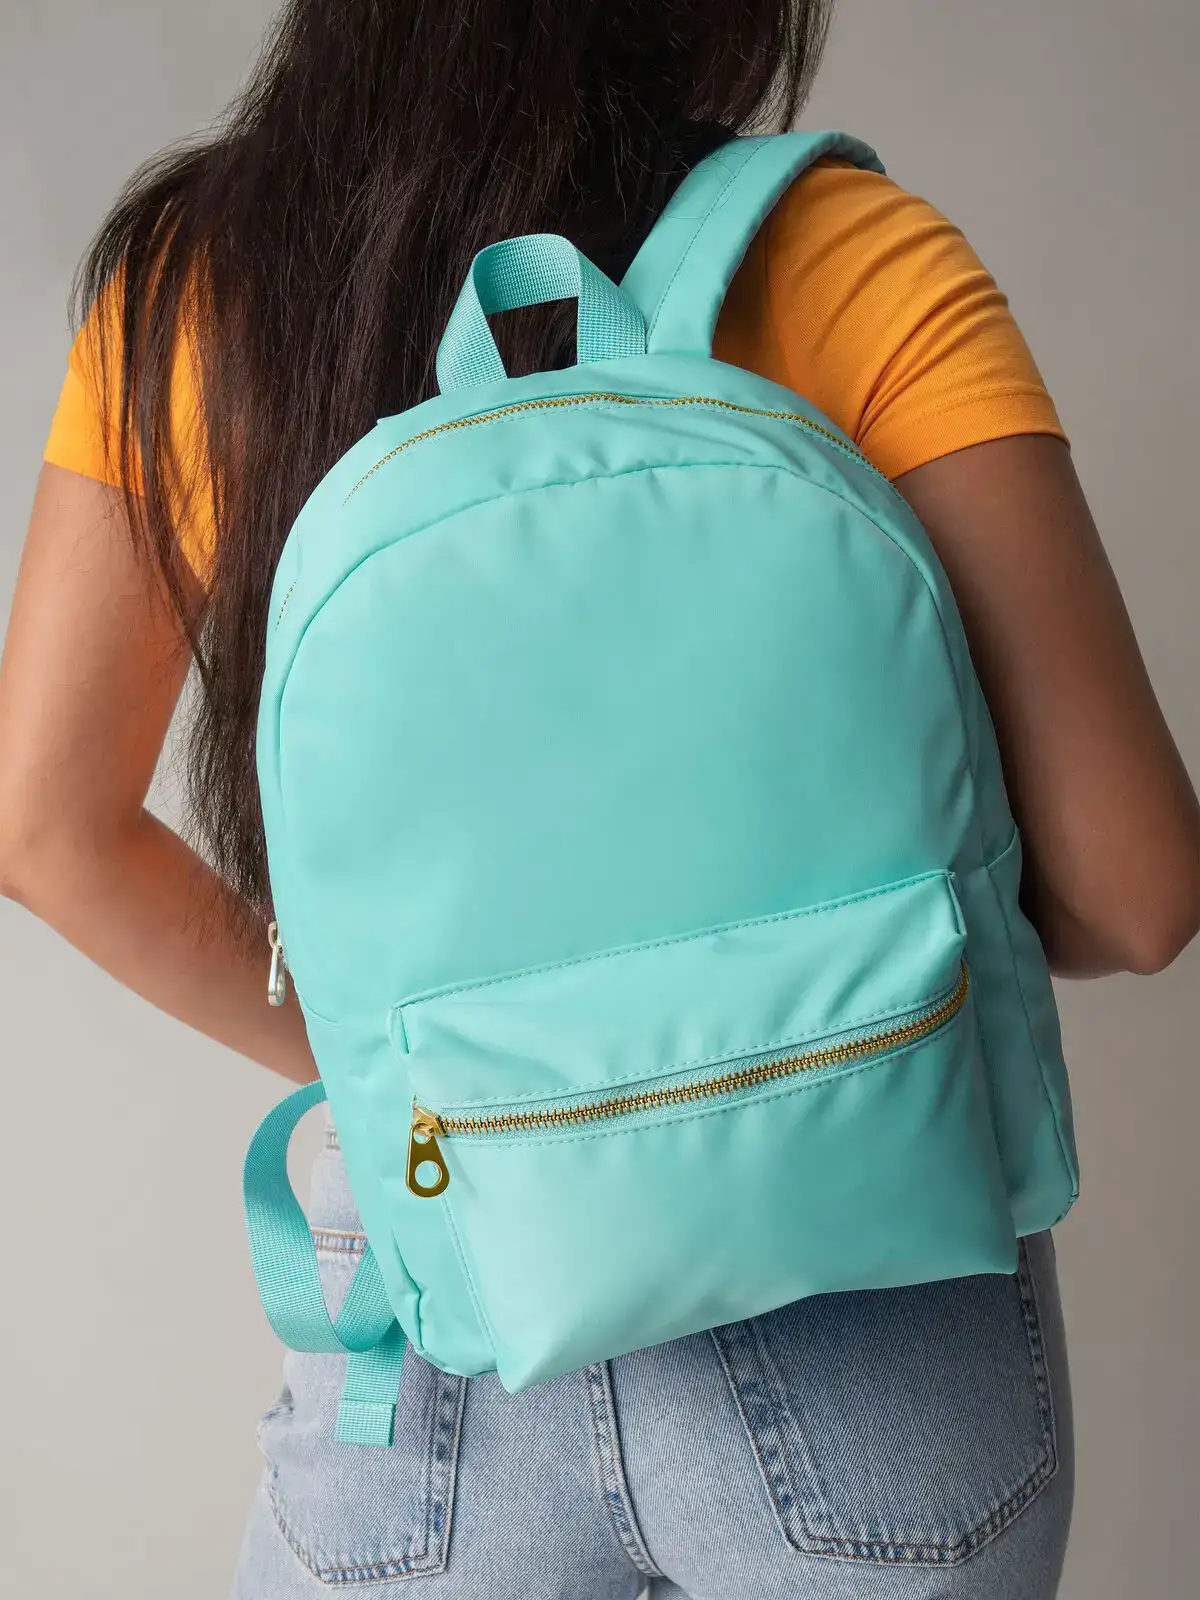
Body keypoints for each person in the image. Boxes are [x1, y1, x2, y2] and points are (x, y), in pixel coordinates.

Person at [2, 3, 1198, 1596]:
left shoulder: (199, 289)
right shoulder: (844, 251)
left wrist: (429, 1085)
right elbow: (1138, 893)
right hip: (865, 1265)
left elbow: (45, 827)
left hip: (442, 1272)